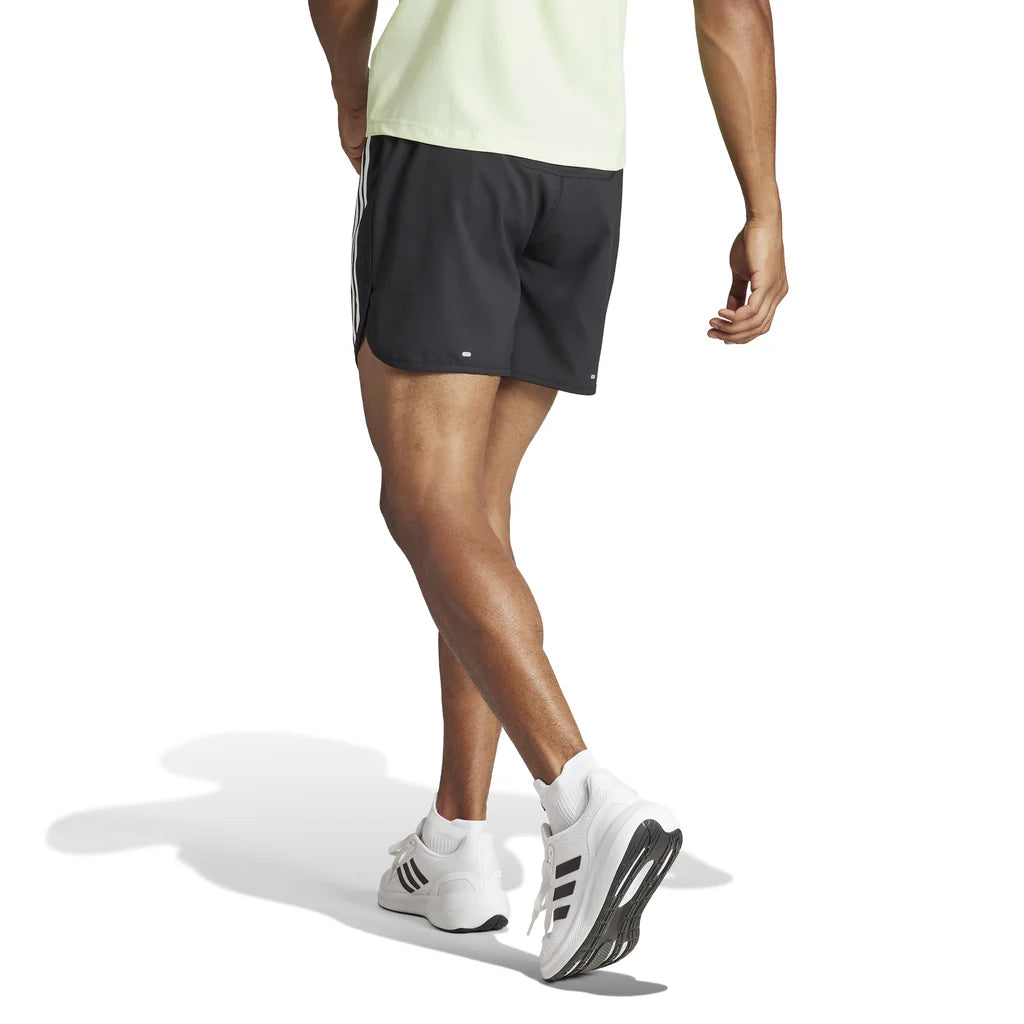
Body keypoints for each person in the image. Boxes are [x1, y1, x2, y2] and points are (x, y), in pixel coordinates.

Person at [308, 0, 788, 982]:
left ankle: (581, 798)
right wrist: (763, 203)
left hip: (448, 140)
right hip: (581, 169)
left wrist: (351, 89)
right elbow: (734, 9)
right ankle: (456, 839)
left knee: (424, 503)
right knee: (473, 508)